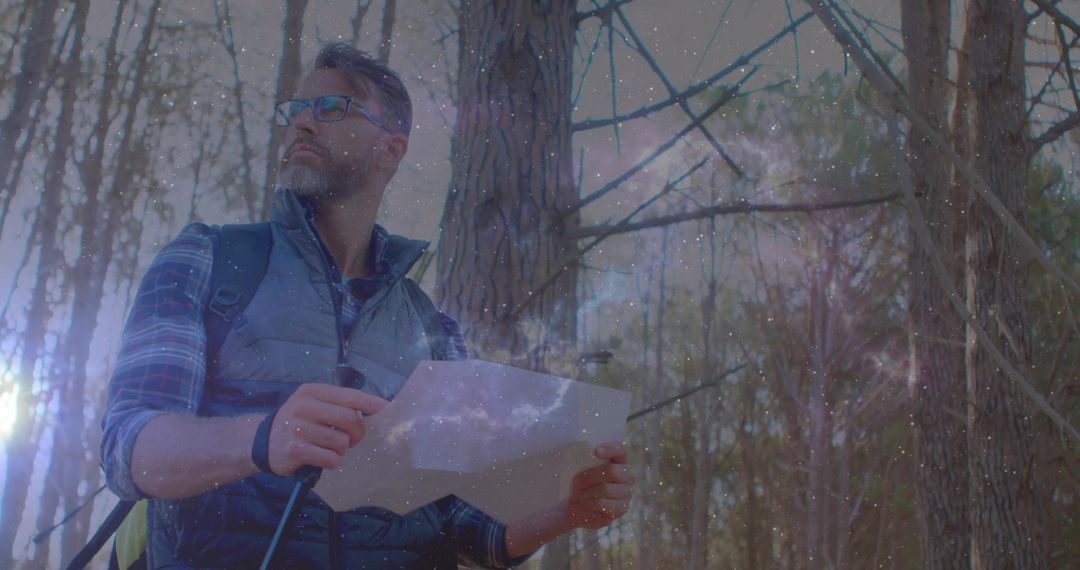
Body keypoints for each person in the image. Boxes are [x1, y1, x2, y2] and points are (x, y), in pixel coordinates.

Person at [100, 42, 634, 569]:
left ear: (391, 150)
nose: (302, 124)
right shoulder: (208, 259)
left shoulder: (435, 332)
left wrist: (561, 511)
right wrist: (263, 437)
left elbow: (463, 529)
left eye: (332, 108)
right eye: (296, 110)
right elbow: (130, 448)